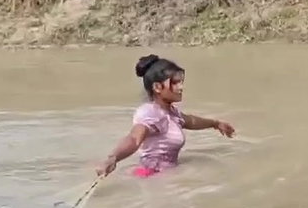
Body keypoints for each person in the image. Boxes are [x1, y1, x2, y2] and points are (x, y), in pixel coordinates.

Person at [96, 55, 236, 177]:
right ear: (157, 87)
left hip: (165, 176)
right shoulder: (150, 113)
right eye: (174, 83)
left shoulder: (172, 113)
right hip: (151, 177)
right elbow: (134, 138)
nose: (180, 87)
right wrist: (113, 158)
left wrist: (215, 123)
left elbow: (191, 121)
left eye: (181, 82)